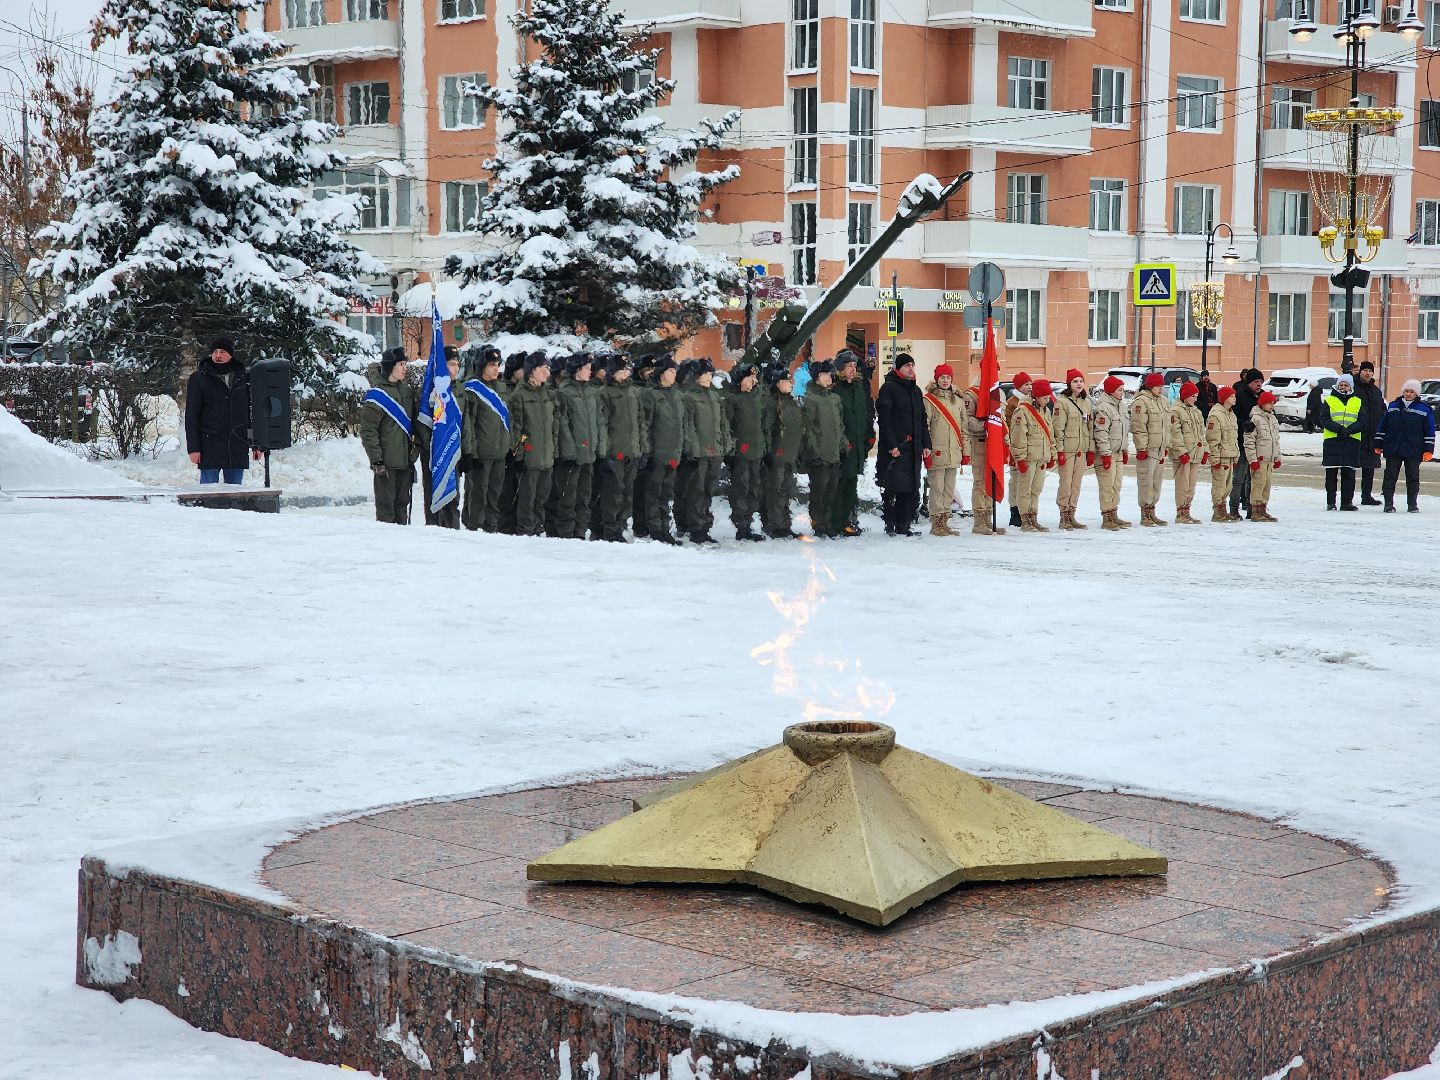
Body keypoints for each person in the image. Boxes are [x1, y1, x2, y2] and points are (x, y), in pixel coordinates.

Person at [185, 338, 259, 485]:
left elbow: (252, 412)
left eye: (222, 352)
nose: (218, 355)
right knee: (208, 492)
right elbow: (192, 415)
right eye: (215, 352)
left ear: (230, 354)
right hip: (209, 444)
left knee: (234, 493)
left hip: (238, 443)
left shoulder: (245, 377)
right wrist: (193, 448)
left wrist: (257, 444)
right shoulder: (199, 378)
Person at [359, 347, 418, 524]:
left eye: (405, 364)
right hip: (386, 465)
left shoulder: (407, 392)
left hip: (404, 463)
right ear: (389, 367)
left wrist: (414, 451)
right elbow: (369, 431)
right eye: (401, 364)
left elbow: (414, 425)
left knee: (402, 508)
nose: (405, 368)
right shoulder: (377, 395)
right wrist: (377, 460)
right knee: (386, 512)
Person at [875, 353, 930, 536]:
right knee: (894, 487)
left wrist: (925, 444)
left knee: (911, 488)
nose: (911, 368)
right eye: (907, 365)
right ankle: (891, 524)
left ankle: (904, 525)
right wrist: (892, 445)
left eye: (912, 365)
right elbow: (885, 420)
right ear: (898, 368)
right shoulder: (889, 388)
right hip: (896, 447)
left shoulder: (916, 391)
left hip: (913, 448)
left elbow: (922, 419)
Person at [551, 354, 604, 539]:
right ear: (577, 370)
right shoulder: (564, 392)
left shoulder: (591, 392)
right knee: (568, 496)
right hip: (572, 455)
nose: (590, 371)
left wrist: (599, 448)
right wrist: (568, 450)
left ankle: (580, 531)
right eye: (587, 368)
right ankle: (566, 532)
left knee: (585, 496)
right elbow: (562, 423)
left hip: (588, 454)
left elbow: (599, 421)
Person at [459, 347, 510, 532]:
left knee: (495, 494)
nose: (496, 369)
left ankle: (491, 526)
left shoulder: (502, 388)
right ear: (481, 366)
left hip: (499, 451)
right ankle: (474, 526)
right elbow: (469, 423)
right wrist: (471, 452)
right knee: (477, 494)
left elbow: (506, 421)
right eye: (491, 365)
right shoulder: (472, 388)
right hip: (481, 452)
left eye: (497, 365)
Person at [679, 358, 730, 545]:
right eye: (705, 374)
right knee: (696, 490)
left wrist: (726, 443)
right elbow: (688, 425)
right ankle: (696, 527)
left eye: (711, 374)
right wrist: (692, 448)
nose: (709, 377)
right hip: (699, 451)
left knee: (708, 489)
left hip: (715, 450)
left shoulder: (714, 396)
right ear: (697, 376)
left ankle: (705, 524)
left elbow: (722, 422)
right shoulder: (689, 397)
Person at [509, 354, 559, 536]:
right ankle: (525, 530)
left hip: (546, 457)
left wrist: (554, 449)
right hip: (530, 456)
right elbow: (516, 428)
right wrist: (519, 453)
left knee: (542, 497)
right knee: (527, 498)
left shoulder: (548, 393)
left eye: (547, 368)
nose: (547, 372)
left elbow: (554, 424)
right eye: (542, 368)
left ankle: (538, 528)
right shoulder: (519, 395)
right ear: (531, 372)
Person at [640, 358, 686, 544]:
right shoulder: (650, 395)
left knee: (666, 494)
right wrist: (647, 451)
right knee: (654, 493)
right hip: (657, 453)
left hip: (673, 453)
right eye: (671, 371)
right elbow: (645, 425)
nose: (674, 374)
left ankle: (665, 528)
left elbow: (681, 425)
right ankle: (655, 529)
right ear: (661, 374)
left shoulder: (676, 395)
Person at [596, 354, 642, 542]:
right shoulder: (605, 393)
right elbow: (602, 423)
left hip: (632, 449)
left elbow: (641, 422)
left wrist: (641, 447)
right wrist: (605, 450)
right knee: (613, 492)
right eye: (621, 370)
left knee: (627, 491)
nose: (625, 373)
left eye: (627, 370)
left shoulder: (633, 392)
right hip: (615, 450)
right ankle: (610, 528)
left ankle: (622, 524)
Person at [1375, 379, 1435, 513]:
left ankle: (1412, 504)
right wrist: (1378, 442)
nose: (1408, 394)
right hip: (1393, 447)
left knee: (1413, 477)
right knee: (1390, 476)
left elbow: (1429, 430)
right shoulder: (1393, 406)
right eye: (1406, 391)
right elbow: (1383, 426)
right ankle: (1388, 504)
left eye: (1411, 391)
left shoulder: (1424, 409)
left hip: (1414, 449)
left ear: (1416, 393)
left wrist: (1428, 450)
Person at [802, 358, 846, 539]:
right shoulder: (809, 399)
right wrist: (814, 450)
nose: (829, 378)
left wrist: (843, 443)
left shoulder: (834, 398)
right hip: (819, 454)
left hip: (834, 452)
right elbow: (808, 428)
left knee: (831, 489)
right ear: (817, 377)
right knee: (819, 490)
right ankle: (818, 523)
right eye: (825, 375)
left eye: (829, 374)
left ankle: (828, 522)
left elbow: (840, 424)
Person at [921, 363, 967, 536]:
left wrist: (966, 451)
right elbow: (925, 427)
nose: (945, 380)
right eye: (942, 377)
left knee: (949, 489)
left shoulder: (958, 400)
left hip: (954, 451)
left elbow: (964, 428)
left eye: (948, 377)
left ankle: (945, 521)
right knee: (937, 488)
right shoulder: (929, 400)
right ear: (937, 379)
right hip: (937, 451)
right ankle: (936, 524)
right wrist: (926, 448)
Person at [832, 351, 875, 536]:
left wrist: (869, 435)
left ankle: (848, 521)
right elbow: (836, 421)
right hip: (843, 447)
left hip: (858, 446)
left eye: (854, 366)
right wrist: (843, 443)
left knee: (851, 485)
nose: (852, 369)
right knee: (839, 486)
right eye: (849, 366)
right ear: (841, 368)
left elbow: (865, 414)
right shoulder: (836, 390)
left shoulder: (858, 388)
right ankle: (836, 523)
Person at [725, 360, 768, 541]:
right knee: (741, 488)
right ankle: (741, 525)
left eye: (755, 377)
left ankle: (748, 523)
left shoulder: (757, 398)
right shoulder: (733, 400)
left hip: (757, 450)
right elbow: (727, 425)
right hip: (741, 451)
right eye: (750, 377)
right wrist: (733, 446)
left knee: (753, 488)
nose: (754, 381)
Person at [1007, 377, 1055, 532]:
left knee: (1036, 490)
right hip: (1028, 458)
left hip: (1041, 457)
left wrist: (1051, 454)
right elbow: (1018, 437)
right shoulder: (1023, 410)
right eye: (1045, 398)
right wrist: (1020, 459)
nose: (1048, 401)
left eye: (1049, 397)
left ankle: (1033, 518)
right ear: (1036, 396)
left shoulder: (1046, 410)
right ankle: (1025, 520)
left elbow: (1050, 434)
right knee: (1025, 490)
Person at [761, 365, 804, 539]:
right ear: (777, 384)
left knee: (786, 490)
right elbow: (767, 429)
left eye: (789, 380)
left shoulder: (791, 402)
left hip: (790, 453)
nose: (789, 384)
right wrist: (768, 452)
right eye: (785, 381)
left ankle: (785, 524)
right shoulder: (772, 403)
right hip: (777, 454)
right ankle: (775, 525)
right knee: (776, 490)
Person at [1051, 368, 1093, 530]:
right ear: (1069, 384)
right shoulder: (1062, 403)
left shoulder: (1087, 403)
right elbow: (1058, 428)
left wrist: (1090, 450)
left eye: (1081, 381)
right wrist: (1059, 451)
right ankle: (1063, 515)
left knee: (1076, 484)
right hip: (1068, 451)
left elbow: (1089, 428)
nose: (1079, 384)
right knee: (1066, 483)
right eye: (1075, 381)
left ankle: (1072, 514)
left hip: (1081, 450)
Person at [960, 381, 1004, 535]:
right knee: (981, 483)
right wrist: (984, 425)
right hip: (979, 442)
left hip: (994, 444)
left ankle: (988, 520)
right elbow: (966, 419)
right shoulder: (971, 394)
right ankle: (979, 522)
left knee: (991, 481)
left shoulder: (997, 391)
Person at [1091, 375, 1132, 531]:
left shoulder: (1121, 406)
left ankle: (1114, 513)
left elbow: (1124, 430)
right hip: (1106, 454)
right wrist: (1105, 454)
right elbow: (1101, 432)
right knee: (1107, 486)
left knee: (1117, 485)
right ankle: (1106, 516)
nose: (1122, 393)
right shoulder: (1103, 407)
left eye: (1122, 390)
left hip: (1118, 452)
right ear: (1111, 391)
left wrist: (1126, 449)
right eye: (1119, 390)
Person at [1131, 371, 1171, 526]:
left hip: (1160, 448)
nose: (1160, 388)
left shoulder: (1164, 401)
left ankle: (1152, 509)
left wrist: (1166, 444)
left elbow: (1167, 426)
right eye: (1157, 386)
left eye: (1161, 385)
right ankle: (1145, 512)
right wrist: (1141, 448)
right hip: (1148, 449)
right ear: (1149, 386)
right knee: (1146, 481)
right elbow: (1139, 426)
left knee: (1156, 482)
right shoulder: (1142, 402)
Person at [1320, 371, 1363, 512]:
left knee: (1349, 474)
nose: (1343, 387)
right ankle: (1331, 502)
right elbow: (1324, 419)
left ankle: (1346, 503)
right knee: (1331, 474)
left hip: (1351, 441)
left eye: (1346, 385)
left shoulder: (1357, 401)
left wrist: (1350, 430)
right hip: (1333, 440)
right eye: (1341, 385)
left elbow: (1363, 420)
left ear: (1351, 387)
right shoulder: (1329, 400)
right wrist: (1339, 429)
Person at [497, 354, 528, 534]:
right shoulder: (505, 391)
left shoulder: (526, 390)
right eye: (521, 369)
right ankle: (506, 527)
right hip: (507, 448)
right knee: (506, 491)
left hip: (523, 447)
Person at [1168, 381, 1206, 525]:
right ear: (1185, 396)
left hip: (1195, 453)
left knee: (1191, 485)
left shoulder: (1196, 412)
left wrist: (1205, 450)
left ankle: (1187, 510)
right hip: (1184, 455)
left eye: (1196, 396)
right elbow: (1175, 434)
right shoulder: (1175, 411)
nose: (1195, 399)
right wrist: (1181, 452)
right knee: (1182, 485)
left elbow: (1201, 434)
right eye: (1193, 396)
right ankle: (1181, 512)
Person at [1230, 367, 1264, 519]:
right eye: (1256, 382)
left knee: (1255, 478)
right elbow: (1231, 417)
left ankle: (1253, 508)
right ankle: (1234, 508)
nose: (1259, 384)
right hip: (1243, 441)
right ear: (1249, 382)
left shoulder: (1263, 396)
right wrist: (1243, 424)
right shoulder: (1240, 396)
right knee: (1239, 477)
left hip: (1259, 443)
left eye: (1261, 381)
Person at [1205, 386, 1242, 523]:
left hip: (1230, 454)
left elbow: (1234, 437)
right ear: (1225, 398)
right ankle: (1217, 511)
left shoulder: (1231, 415)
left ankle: (1223, 509)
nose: (1234, 398)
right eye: (1231, 396)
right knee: (1219, 484)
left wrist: (1236, 454)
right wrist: (1214, 457)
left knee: (1228, 486)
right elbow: (1212, 439)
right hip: (1221, 455)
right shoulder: (1216, 415)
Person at [1244, 390, 1282, 522]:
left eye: (1273, 403)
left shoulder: (1273, 419)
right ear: (1261, 404)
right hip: (1259, 459)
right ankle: (1255, 511)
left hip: (1270, 459)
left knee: (1267, 485)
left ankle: (1263, 508)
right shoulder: (1255, 419)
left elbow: (1276, 440)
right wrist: (1252, 459)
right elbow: (1249, 441)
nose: (1272, 406)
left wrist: (1278, 457)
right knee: (1258, 484)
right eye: (1269, 403)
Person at [1354, 360, 1387, 505]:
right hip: (1356, 433)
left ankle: (1366, 496)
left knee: (1370, 467)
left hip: (1373, 434)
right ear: (1360, 371)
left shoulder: (1375, 390)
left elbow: (1382, 409)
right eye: (1365, 370)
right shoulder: (1354, 388)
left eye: (1370, 371)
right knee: (1351, 468)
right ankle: (1346, 498)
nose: (1367, 373)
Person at [1003, 371, 1033, 528]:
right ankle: (1015, 511)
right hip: (1016, 446)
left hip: (1031, 448)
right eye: (1025, 385)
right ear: (1018, 387)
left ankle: (1027, 511)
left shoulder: (1032, 402)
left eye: (1030, 384)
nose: (1029, 387)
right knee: (1016, 481)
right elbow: (1008, 425)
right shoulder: (1012, 403)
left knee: (1028, 482)